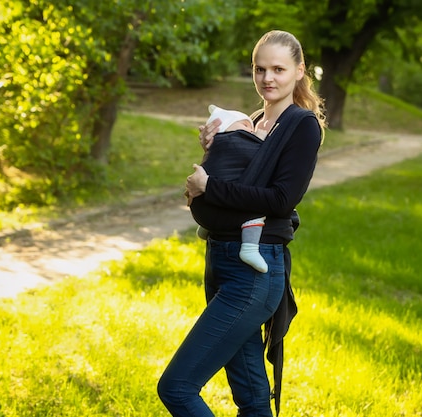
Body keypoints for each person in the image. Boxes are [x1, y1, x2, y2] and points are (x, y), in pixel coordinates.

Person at [158, 30, 326, 417]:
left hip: (255, 270)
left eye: (279, 69)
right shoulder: (246, 122)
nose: (268, 78)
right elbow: (230, 182)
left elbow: (282, 200)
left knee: (177, 388)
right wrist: (212, 155)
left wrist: (211, 186)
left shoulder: (301, 126)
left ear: (299, 71)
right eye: (260, 68)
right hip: (220, 260)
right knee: (252, 398)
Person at [194, 104, 268, 274]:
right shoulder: (234, 141)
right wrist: (261, 139)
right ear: (225, 128)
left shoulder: (219, 145)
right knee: (256, 207)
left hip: (201, 209)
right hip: (228, 210)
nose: (251, 129)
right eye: (245, 125)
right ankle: (249, 249)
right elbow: (259, 154)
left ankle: (207, 225)